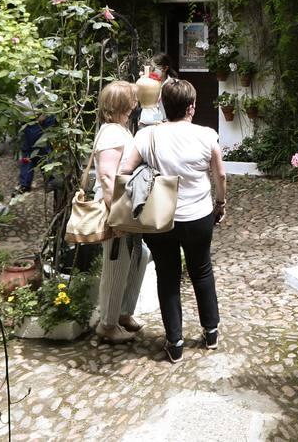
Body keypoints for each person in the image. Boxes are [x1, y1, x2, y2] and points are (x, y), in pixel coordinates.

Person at [119, 79, 226, 362]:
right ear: (191, 107)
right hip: (198, 216)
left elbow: (125, 169)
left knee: (167, 277)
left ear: (164, 105)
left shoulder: (146, 136)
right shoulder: (206, 135)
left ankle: (175, 342)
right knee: (202, 270)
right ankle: (211, 332)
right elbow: (220, 175)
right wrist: (220, 202)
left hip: (159, 218)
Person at [90, 81, 150, 344]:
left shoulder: (117, 129)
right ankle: (108, 324)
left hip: (124, 203)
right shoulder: (112, 133)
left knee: (139, 254)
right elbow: (106, 175)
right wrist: (114, 214)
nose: (135, 105)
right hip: (114, 205)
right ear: (124, 105)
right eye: (132, 101)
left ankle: (124, 313)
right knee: (116, 262)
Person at [16, 113, 56, 192]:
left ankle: (49, 180)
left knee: (43, 151)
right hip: (28, 120)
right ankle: (24, 184)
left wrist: (45, 114)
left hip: (41, 119)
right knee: (27, 154)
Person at [137, 53, 176, 129]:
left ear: (165, 68)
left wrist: (159, 119)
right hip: (144, 124)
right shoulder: (147, 81)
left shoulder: (172, 84)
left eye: (154, 68)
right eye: (151, 67)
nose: (151, 71)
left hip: (162, 125)